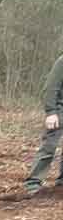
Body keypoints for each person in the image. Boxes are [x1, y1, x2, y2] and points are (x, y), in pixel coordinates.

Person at [24, 52, 63, 195]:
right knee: (48, 147)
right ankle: (33, 183)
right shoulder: (62, 62)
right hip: (59, 110)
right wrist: (51, 112)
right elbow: (51, 87)